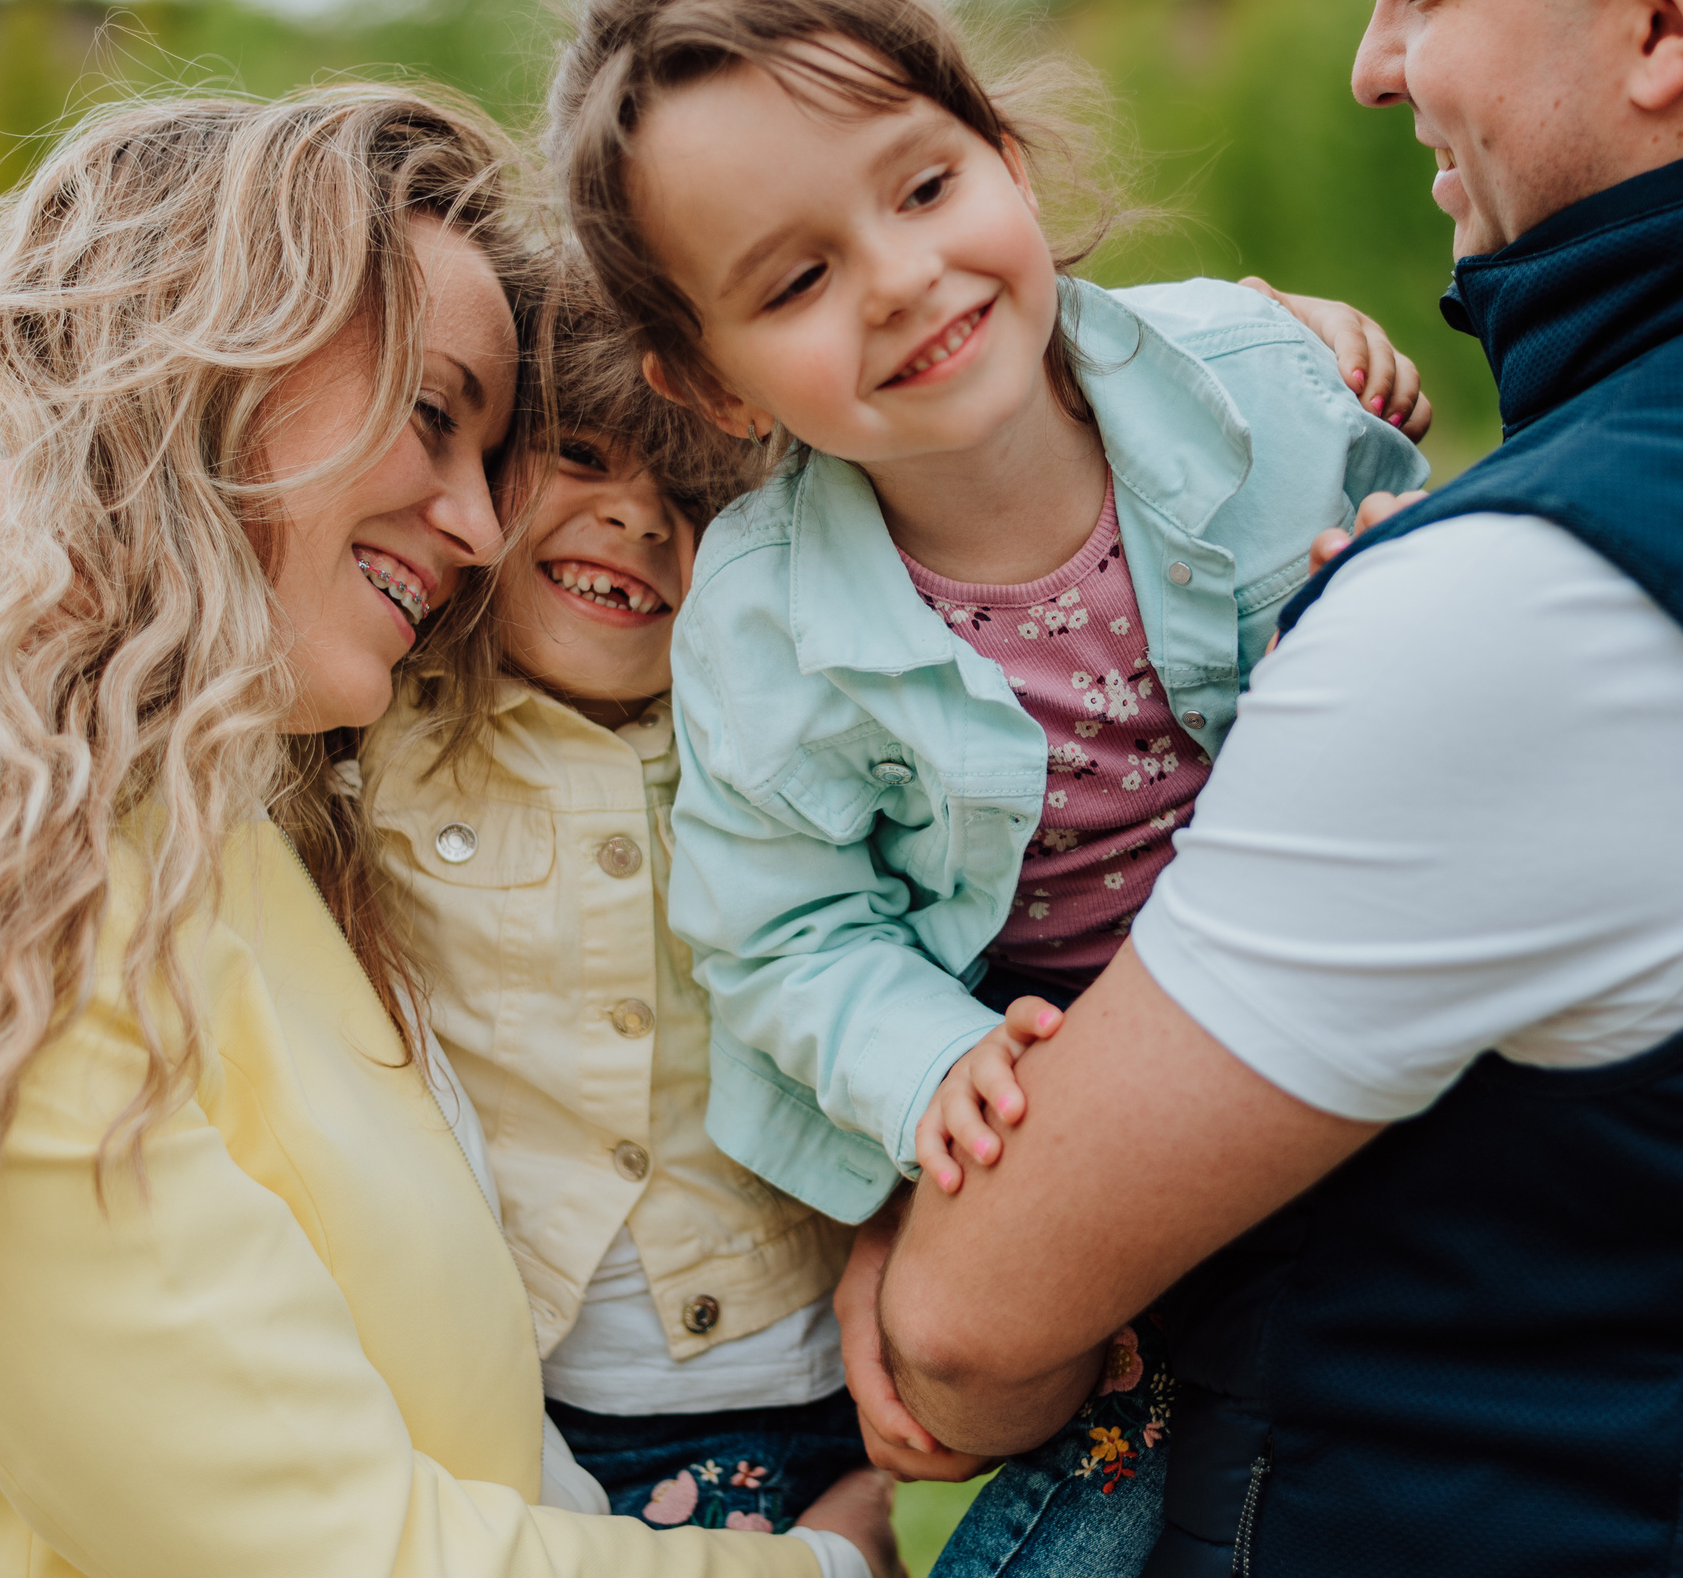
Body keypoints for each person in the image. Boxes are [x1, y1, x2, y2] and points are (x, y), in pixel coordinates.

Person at [862, 0, 1683, 1577]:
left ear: (1666, 14)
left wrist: (893, 1259)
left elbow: (969, 1322)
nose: (1374, 68)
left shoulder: (1532, 611)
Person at [0, 85, 892, 1578]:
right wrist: (824, 1567)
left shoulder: (226, 800)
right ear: (211, 361)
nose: (479, 528)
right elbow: (342, 1550)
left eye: (493, 450)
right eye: (433, 415)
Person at [542, 0, 1433, 1578]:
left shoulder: (1254, 386)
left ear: (1009, 160)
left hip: (1335, 1003)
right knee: (1082, 1450)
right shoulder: (767, 619)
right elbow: (784, 930)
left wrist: (1404, 554)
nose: (896, 276)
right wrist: (930, 1060)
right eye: (794, 281)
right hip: (1068, 1080)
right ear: (705, 378)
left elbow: (1426, 585)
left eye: (926, 185)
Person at [358, 269, 1415, 1545]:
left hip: (794, 1370)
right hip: (526, 1382)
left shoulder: (802, 725)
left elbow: (949, 336)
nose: (637, 520)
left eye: (692, 501)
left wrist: (1258, 325)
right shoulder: (391, 725)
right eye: (576, 458)